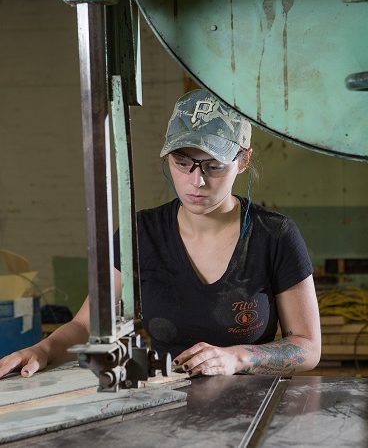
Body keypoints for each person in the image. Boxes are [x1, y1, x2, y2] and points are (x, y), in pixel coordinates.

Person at [0, 89, 321, 378]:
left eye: (213, 166)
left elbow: (307, 347)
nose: (196, 181)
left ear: (243, 160)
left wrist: (238, 358)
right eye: (182, 164)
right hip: (167, 401)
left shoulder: (275, 235)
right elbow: (86, 325)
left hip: (252, 404)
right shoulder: (141, 234)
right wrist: (43, 349)